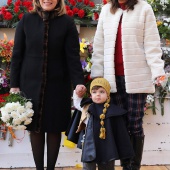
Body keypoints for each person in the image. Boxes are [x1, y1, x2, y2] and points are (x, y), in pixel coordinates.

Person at [9, 0, 86, 169]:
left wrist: (79, 82)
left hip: (58, 84)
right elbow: (17, 55)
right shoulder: (26, 20)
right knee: (35, 127)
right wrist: (14, 84)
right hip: (30, 82)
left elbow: (72, 57)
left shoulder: (67, 22)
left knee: (54, 127)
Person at [90, 0, 166, 169]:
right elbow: (99, 46)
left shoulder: (144, 9)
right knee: (119, 124)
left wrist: (158, 71)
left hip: (137, 77)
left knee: (134, 124)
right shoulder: (106, 10)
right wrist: (96, 75)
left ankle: (132, 166)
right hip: (111, 79)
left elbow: (152, 44)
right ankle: (124, 163)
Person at [73, 78, 134, 170]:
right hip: (90, 145)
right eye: (94, 92)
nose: (97, 94)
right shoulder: (87, 107)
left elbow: (119, 133)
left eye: (101, 92)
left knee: (107, 166)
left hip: (107, 146)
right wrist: (77, 92)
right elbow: (77, 103)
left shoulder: (113, 111)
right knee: (88, 167)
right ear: (90, 95)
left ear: (108, 95)